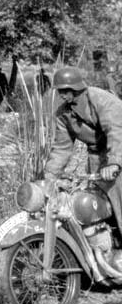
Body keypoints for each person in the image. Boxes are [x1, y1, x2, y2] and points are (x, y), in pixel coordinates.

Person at [44, 67, 122, 234]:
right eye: (59, 91)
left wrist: (114, 163)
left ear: (75, 88)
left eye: (64, 90)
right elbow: (61, 148)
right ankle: (106, 248)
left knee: (119, 199)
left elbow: (116, 132)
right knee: (94, 205)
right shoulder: (63, 113)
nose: (61, 95)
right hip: (96, 157)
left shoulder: (101, 100)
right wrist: (50, 175)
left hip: (117, 151)